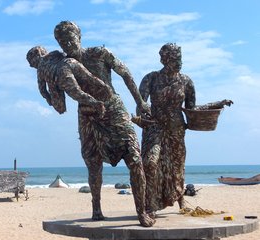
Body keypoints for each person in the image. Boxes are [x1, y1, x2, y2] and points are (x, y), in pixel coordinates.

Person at [26, 46, 155, 227]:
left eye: (69, 38)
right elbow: (60, 90)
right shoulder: (62, 58)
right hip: (87, 114)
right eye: (61, 40)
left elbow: (124, 73)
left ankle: (141, 212)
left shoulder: (95, 54)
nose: (66, 44)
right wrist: (52, 93)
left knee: (134, 158)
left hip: (112, 108)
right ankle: (96, 209)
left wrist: (140, 102)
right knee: (93, 162)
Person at [136, 43, 233, 218]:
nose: (179, 62)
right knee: (150, 163)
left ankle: (180, 201)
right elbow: (141, 104)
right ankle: (149, 205)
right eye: (174, 58)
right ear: (164, 59)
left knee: (177, 167)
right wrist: (143, 115)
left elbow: (192, 108)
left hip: (177, 130)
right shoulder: (150, 78)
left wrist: (217, 103)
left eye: (180, 58)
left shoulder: (186, 81)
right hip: (154, 128)